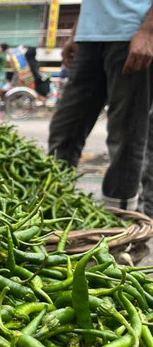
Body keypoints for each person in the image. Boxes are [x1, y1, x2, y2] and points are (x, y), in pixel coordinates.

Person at [48, 1, 153, 212]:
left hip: (132, 32)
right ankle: (52, 204)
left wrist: (148, 31)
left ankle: (118, 216)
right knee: (64, 129)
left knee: (126, 133)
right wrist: (76, 32)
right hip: (89, 38)